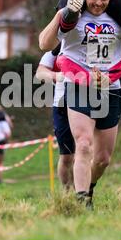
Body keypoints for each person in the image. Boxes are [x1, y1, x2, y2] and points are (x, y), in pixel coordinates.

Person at [39, 0, 121, 209]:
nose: (98, 3)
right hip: (78, 85)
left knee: (102, 159)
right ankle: (81, 201)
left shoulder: (116, 22)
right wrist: (61, 15)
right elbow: (44, 43)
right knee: (82, 144)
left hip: (109, 88)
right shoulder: (73, 19)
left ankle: (89, 189)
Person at [35, 46, 75, 189]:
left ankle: (82, 192)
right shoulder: (55, 51)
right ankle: (67, 192)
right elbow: (39, 73)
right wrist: (56, 76)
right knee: (66, 156)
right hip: (61, 106)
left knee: (84, 151)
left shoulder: (89, 45)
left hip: (87, 102)